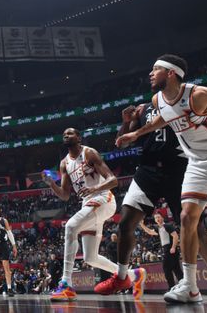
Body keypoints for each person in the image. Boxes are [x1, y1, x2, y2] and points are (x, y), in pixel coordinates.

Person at [117, 54, 207, 303]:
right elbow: (165, 116)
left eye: (155, 69)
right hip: (196, 163)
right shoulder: (157, 99)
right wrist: (136, 133)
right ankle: (191, 287)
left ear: (171, 73)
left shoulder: (199, 95)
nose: (150, 74)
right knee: (186, 217)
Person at [96, 98, 207, 303]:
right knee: (126, 222)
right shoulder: (143, 109)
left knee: (196, 227)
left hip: (179, 169)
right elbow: (121, 142)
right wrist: (126, 122)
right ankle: (121, 277)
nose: (152, 74)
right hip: (148, 170)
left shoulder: (183, 102)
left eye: (156, 70)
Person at [43, 128, 141, 301]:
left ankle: (66, 284)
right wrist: (51, 183)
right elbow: (65, 195)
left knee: (71, 226)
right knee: (90, 257)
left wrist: (94, 188)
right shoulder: (64, 163)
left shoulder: (89, 153)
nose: (66, 135)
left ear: (79, 138)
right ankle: (134, 275)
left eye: (70, 133)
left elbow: (113, 180)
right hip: (88, 204)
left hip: (103, 199)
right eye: (64, 134)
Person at [140, 213, 184, 288]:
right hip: (167, 250)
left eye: (158, 217)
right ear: (155, 220)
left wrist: (173, 247)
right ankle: (183, 286)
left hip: (170, 249)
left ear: (162, 218)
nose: (157, 218)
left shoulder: (167, 226)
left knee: (166, 268)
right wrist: (142, 224)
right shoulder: (159, 228)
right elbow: (150, 232)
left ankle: (172, 287)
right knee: (176, 269)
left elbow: (175, 236)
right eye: (156, 218)